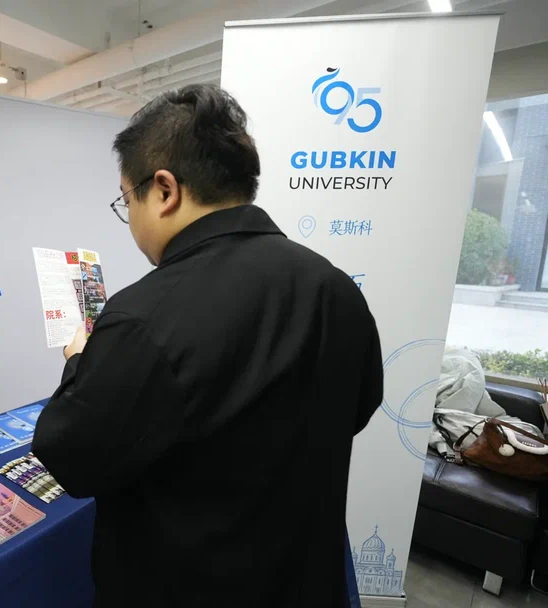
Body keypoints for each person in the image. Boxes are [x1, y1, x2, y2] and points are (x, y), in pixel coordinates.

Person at [31, 84, 383, 607]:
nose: (130, 219)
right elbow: (360, 405)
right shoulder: (336, 288)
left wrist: (79, 361)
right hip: (306, 581)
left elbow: (71, 456)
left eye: (126, 200)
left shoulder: (142, 317)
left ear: (164, 190)